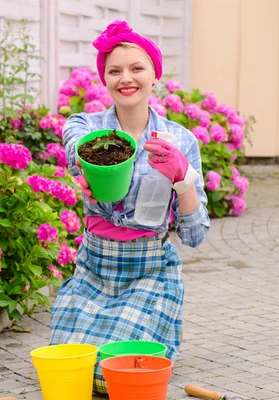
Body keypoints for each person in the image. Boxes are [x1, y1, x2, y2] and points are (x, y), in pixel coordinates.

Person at [50, 20, 210, 394]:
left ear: (155, 75)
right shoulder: (87, 126)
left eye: (137, 68)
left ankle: (158, 320)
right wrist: (88, 163)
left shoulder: (180, 141)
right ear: (104, 79)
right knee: (73, 368)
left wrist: (182, 178)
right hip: (94, 268)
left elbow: (195, 234)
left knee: (110, 377)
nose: (127, 78)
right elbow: (74, 140)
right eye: (115, 70)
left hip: (150, 271)